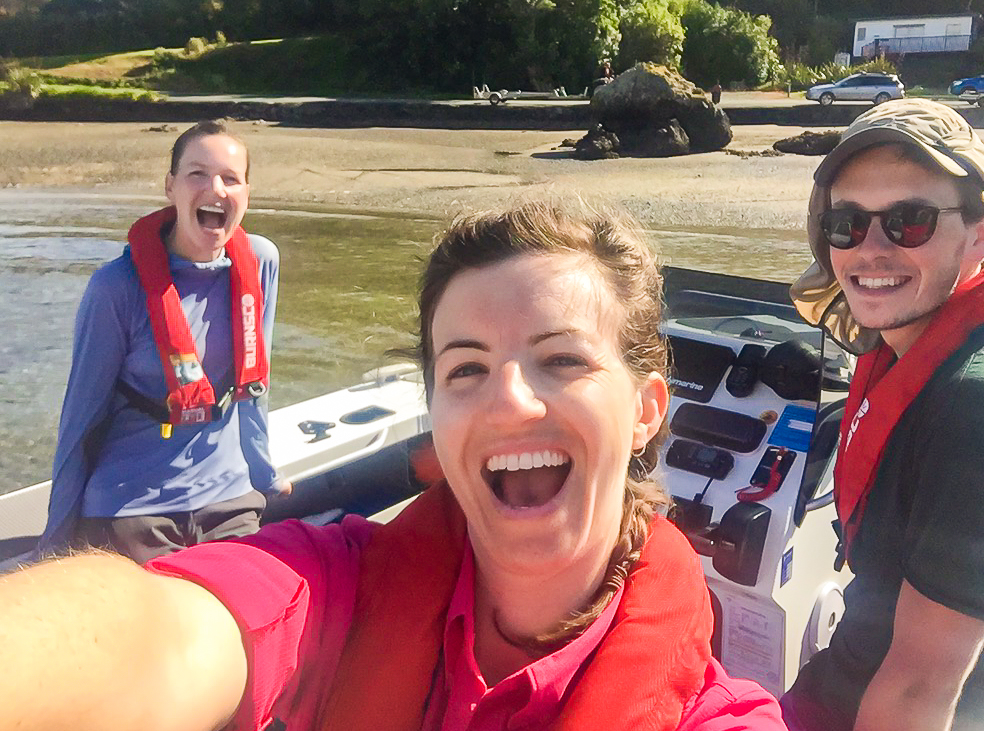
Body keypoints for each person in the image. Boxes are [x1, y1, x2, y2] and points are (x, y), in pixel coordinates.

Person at [0, 201, 787, 731]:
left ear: (648, 406)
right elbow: (158, 634)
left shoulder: (720, 713)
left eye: (562, 359)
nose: (509, 401)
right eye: (466, 369)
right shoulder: (336, 590)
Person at [786, 98, 984, 731]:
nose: (871, 250)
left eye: (910, 221)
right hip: (848, 670)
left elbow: (920, 688)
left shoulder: (980, 413)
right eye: (847, 223)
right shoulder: (913, 338)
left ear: (980, 230)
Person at [36, 119, 289, 565]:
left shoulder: (262, 263)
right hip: (132, 508)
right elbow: (79, 421)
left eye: (230, 178)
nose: (215, 188)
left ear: (246, 193)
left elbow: (254, 388)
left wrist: (266, 475)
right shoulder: (116, 287)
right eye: (197, 174)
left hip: (227, 500)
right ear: (170, 187)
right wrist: (54, 543)